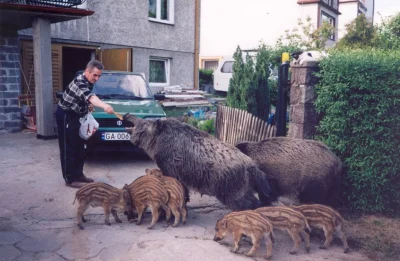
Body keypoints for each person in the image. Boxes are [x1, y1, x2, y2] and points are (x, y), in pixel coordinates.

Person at [56, 60, 115, 188]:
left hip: (78, 115)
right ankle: (70, 179)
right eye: (95, 75)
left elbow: (84, 99)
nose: (97, 78)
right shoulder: (79, 82)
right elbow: (91, 97)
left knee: (80, 146)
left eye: (99, 76)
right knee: (68, 148)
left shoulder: (89, 81)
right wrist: (105, 106)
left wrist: (87, 106)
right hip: (66, 115)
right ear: (87, 71)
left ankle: (79, 174)